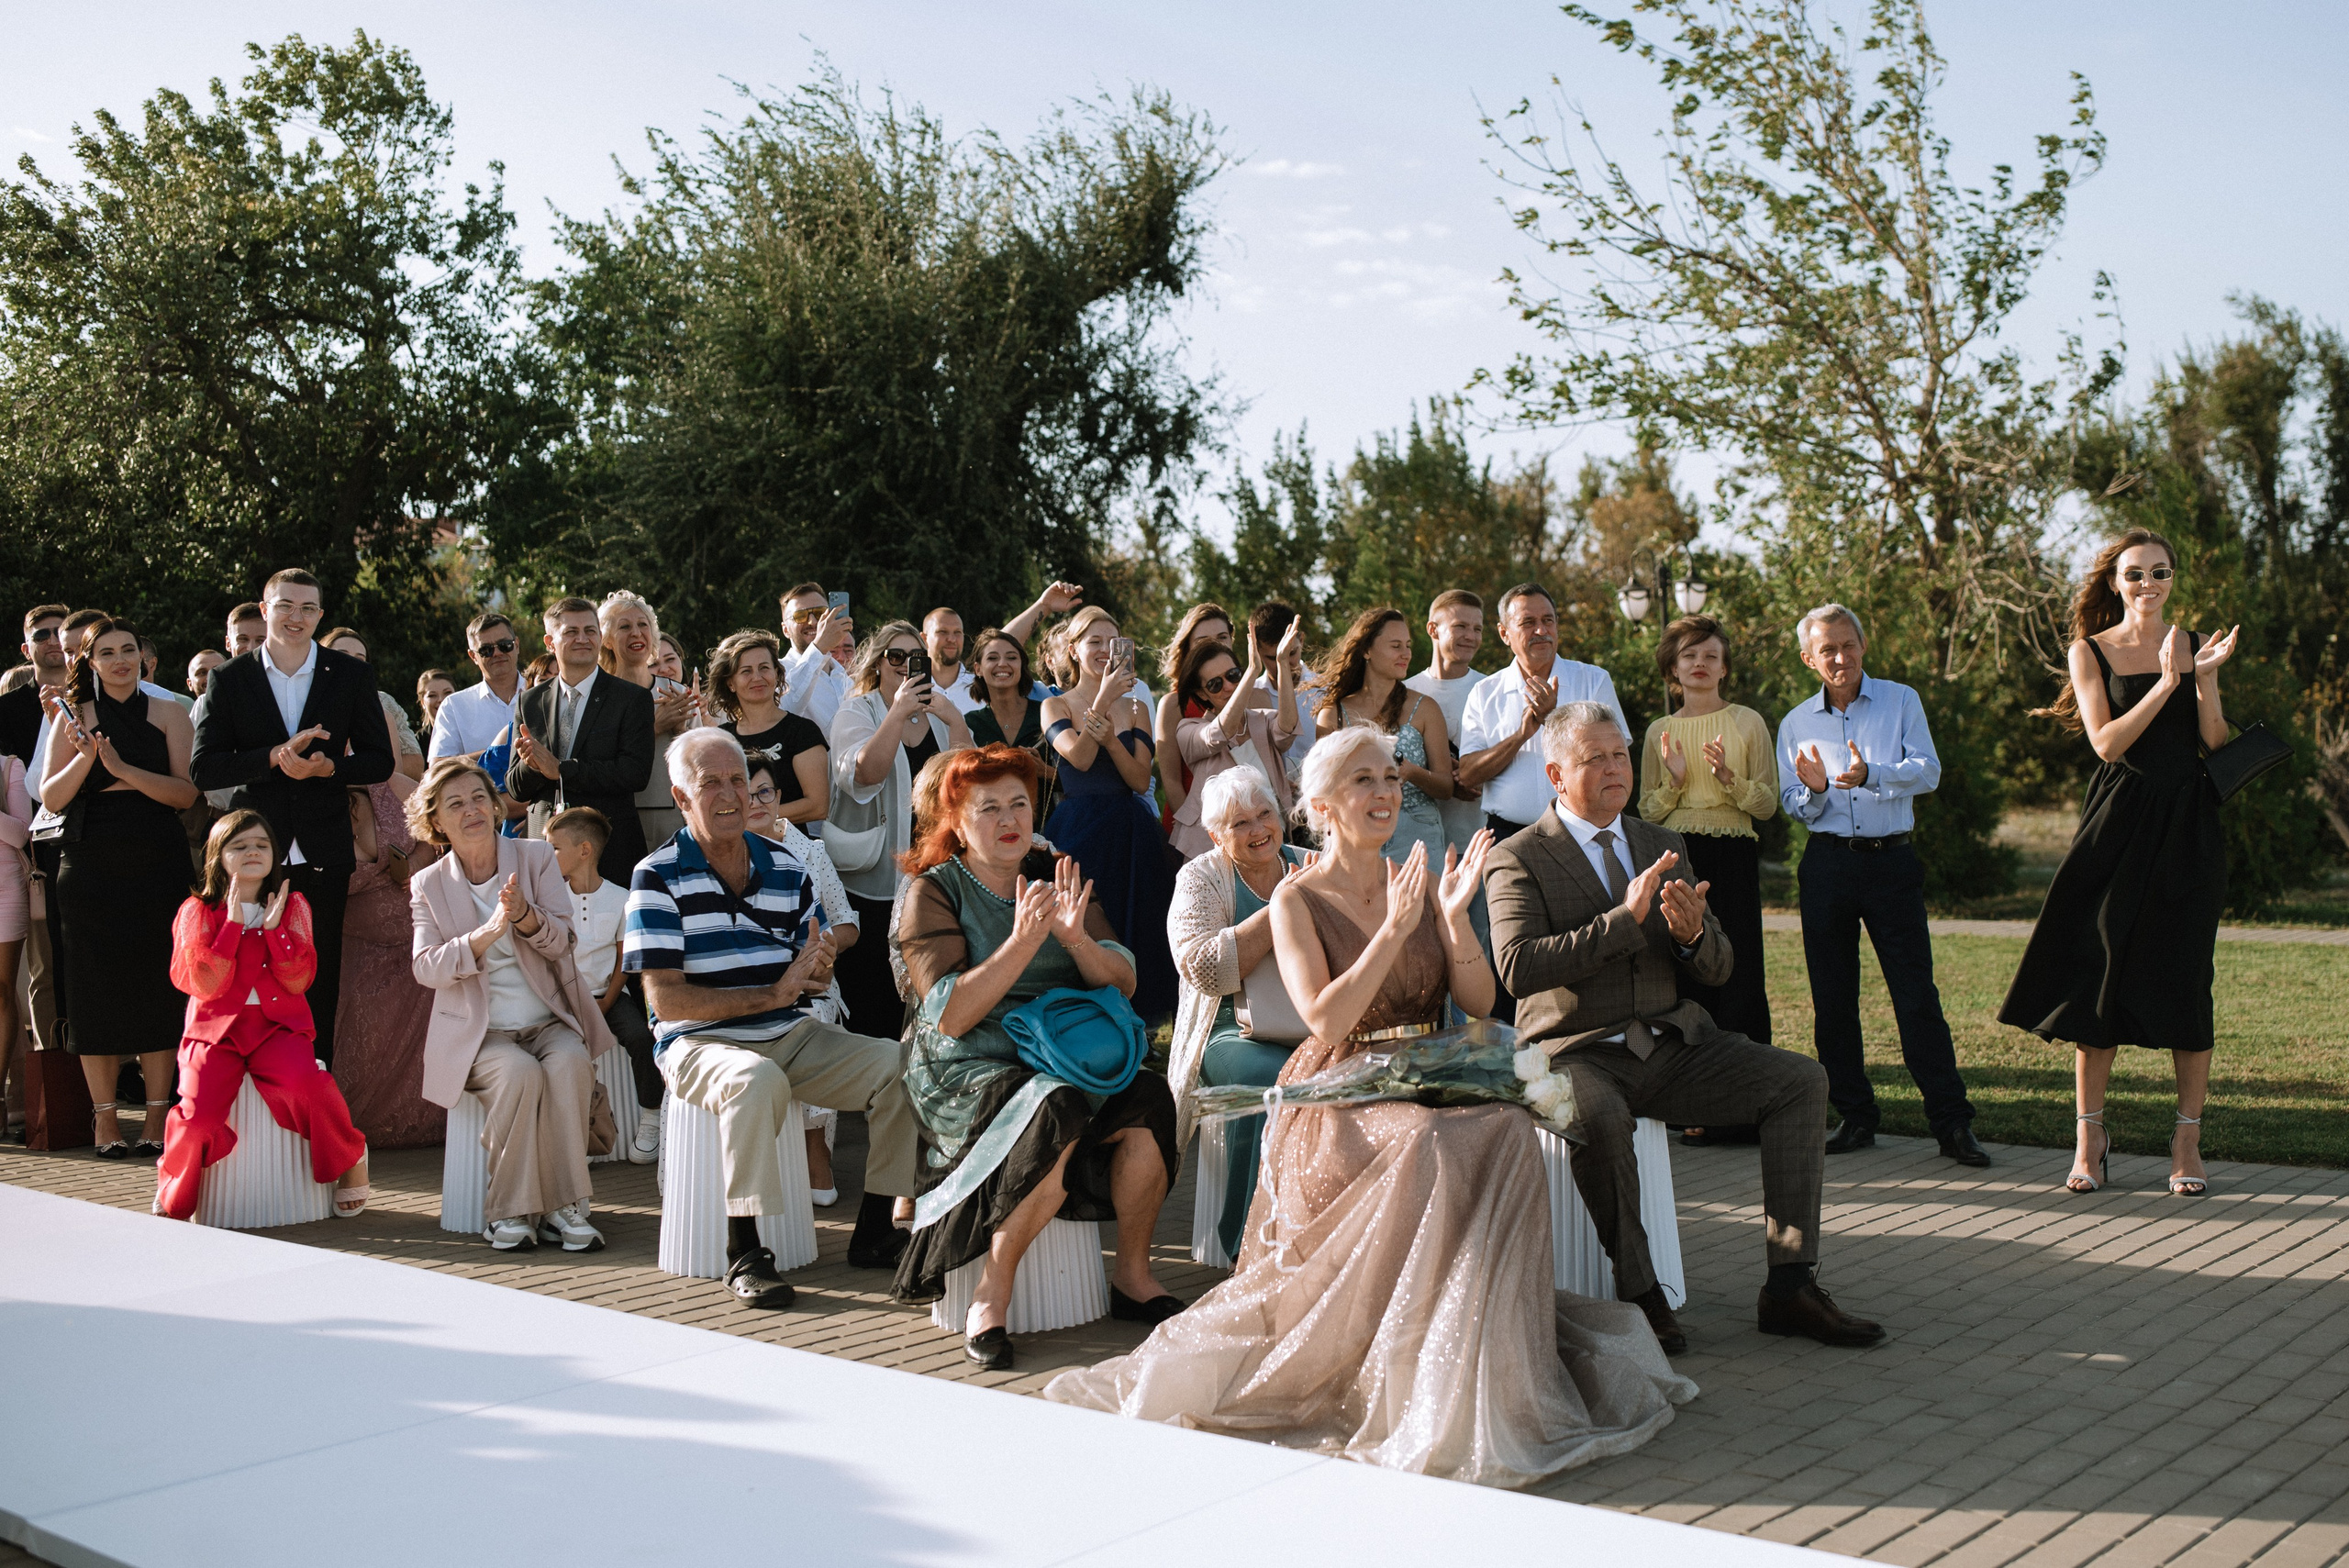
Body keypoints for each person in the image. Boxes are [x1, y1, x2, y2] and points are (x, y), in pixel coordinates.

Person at [1045, 726, 1693, 1485]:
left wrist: (1454, 919)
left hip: (1429, 1067)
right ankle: (1400, 1362)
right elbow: (1325, 1020)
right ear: (1321, 805)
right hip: (1339, 1089)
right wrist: (1391, 930)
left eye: (1390, 776)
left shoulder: (1416, 877)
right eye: (1364, 780)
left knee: (1509, 1129)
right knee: (1425, 1143)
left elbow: (1477, 999)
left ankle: (1478, 1353)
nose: (1385, 792)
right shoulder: (1295, 897)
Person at [1489, 701, 1885, 1353]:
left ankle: (1790, 1286)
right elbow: (1517, 967)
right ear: (1557, 774)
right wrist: (1624, 920)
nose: (1615, 768)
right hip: (1572, 1052)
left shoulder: (1660, 843)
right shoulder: (1518, 855)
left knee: (1801, 1082)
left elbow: (1719, 965)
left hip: (1671, 1046)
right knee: (1602, 1119)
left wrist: (1692, 935)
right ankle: (1644, 1294)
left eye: (1620, 755)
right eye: (1596, 758)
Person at [892, 745, 1179, 1366]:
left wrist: (1076, 941)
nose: (1009, 818)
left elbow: (1123, 980)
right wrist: (1022, 943)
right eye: (989, 807)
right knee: (1055, 1108)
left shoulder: (1055, 868)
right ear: (956, 821)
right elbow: (951, 1016)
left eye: (1018, 803)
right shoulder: (934, 891)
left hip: (1065, 1054)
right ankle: (991, 1294)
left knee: (1149, 1099)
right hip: (971, 1062)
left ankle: (1133, 1275)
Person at [627, 728, 920, 1305]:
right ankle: (745, 1251)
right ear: (681, 798)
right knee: (755, 1079)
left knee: (902, 1066)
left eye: (738, 780)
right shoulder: (655, 875)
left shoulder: (787, 865)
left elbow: (811, 969)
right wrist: (772, 995)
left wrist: (818, 967)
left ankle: (875, 1231)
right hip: (697, 1043)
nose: (730, 794)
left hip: (788, 1032)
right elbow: (666, 1002)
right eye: (710, 783)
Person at [1998, 529, 2237, 1197]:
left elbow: (2214, 742)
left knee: (2186, 978)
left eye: (2160, 572)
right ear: (2115, 582)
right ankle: (2090, 1138)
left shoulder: (2192, 644)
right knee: (2099, 977)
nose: (2148, 584)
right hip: (2118, 824)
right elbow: (2106, 743)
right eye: (2135, 574)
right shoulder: (2090, 651)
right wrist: (2165, 684)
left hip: (2187, 828)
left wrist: (2203, 679)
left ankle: (2186, 1142)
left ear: (2172, 578)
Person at [1775, 603, 1985, 1167]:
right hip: (1827, 866)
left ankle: (1952, 1122)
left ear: (1863, 646)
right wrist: (1817, 791)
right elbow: (1793, 803)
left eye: (1848, 645)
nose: (1840, 657)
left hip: (1891, 863)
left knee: (1916, 995)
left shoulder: (1901, 701)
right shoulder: (1795, 723)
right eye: (1827, 650)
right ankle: (1855, 1116)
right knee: (1833, 998)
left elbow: (1928, 770)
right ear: (1809, 659)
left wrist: (1873, 775)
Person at [191, 570, 395, 1070]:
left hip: (324, 848)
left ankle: (312, 1086)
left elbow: (379, 761)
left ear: (320, 615)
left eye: (307, 608)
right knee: (247, 974)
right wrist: (272, 757)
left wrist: (329, 768)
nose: (296, 617)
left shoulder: (349, 675)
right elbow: (204, 767)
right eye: (285, 606)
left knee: (317, 979)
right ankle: (247, 1086)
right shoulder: (229, 678)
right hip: (252, 855)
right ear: (265, 611)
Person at [407, 757, 611, 1251]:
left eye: (479, 797)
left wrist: (524, 918)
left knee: (568, 1064)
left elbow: (564, 941)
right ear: (436, 821)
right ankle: (511, 1212)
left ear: (495, 805)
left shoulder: (535, 857)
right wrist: (483, 937)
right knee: (519, 1074)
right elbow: (426, 968)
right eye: (456, 803)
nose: (472, 810)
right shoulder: (428, 883)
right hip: (482, 1034)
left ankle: (563, 1208)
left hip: (549, 1021)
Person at [36, 616, 200, 1156]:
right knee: (94, 991)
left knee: (158, 987)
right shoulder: (73, 716)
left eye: (128, 650)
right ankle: (105, 1120)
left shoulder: (170, 712)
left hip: (157, 860)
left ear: (143, 657)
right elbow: (52, 798)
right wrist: (87, 758)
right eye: (106, 653)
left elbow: (186, 795)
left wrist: (123, 769)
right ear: (89, 662)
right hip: (89, 863)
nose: (120, 660)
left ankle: (157, 1115)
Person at [158, 811, 372, 1219]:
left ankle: (352, 1156)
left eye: (261, 845)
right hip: (214, 1033)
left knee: (306, 1087)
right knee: (198, 1115)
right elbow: (202, 983)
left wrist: (275, 933)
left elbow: (299, 980)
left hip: (278, 1029)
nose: (252, 852)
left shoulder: (294, 906)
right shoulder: (197, 910)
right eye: (239, 845)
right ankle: (173, 1180)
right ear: (218, 856)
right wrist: (232, 926)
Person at [1166, 767, 1308, 1260]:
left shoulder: (1312, 862)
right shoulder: (1200, 877)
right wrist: (1282, 904)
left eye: (1264, 814)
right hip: (1229, 1033)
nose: (1258, 829)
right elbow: (1204, 970)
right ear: (1215, 836)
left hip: (1313, 1022)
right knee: (1272, 1086)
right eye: (1239, 823)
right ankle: (1247, 1246)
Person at [1637, 615, 1778, 1062]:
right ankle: (1687, 1076)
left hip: (1733, 853)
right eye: (1690, 655)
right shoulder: (1659, 731)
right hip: (1678, 854)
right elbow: (1646, 811)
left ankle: (1746, 1074)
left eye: (1711, 656)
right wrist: (1677, 782)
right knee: (1683, 959)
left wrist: (1728, 779)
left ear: (1724, 668)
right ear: (1673, 668)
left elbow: (1767, 805)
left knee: (1739, 960)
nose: (1700, 663)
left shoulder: (1748, 722)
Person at [828, 620, 972, 1039]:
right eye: (896, 656)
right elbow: (865, 775)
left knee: (926, 979)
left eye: (916, 658)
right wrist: (897, 711)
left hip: (932, 872)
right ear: (878, 663)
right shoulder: (857, 711)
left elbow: (968, 784)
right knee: (872, 992)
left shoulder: (940, 715)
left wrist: (955, 719)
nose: (906, 665)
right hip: (874, 877)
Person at [1039, 607, 1177, 1021]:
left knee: (1140, 922)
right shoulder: (1055, 705)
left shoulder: (1136, 708)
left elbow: (1140, 780)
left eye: (1112, 642)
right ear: (1073, 650)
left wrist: (1114, 743)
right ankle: (1085, 1019)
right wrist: (1102, 701)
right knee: (1086, 919)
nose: (1104, 650)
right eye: (1094, 641)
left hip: (1131, 829)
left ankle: (1142, 1022)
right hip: (1078, 829)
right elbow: (1079, 759)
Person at [741, 749, 857, 1197]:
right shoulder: (718, 852)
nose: (756, 802)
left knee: (815, 1021)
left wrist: (819, 947)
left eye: (764, 792)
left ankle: (815, 1156)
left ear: (778, 795)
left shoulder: (809, 851)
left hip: (811, 981)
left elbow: (847, 923)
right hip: (744, 984)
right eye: (746, 793)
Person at [332, 740, 442, 1149]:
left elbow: (433, 833)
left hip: (412, 939)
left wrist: (414, 864)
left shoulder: (393, 785)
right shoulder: (316, 797)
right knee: (364, 1032)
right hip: (355, 947)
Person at [507, 596, 655, 887]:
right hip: (544, 852)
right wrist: (532, 765)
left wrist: (562, 770)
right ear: (550, 642)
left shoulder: (631, 699)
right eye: (571, 632)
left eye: (590, 631)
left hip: (608, 849)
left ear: (600, 637)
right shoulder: (530, 701)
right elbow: (515, 786)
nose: (583, 639)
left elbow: (635, 773)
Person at [543, 806, 659, 1162]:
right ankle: (576, 1132)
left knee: (641, 1038)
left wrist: (607, 1002)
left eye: (554, 848)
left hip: (608, 997)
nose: (548, 856)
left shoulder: (622, 897)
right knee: (563, 1053)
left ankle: (652, 1118)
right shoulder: (551, 898)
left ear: (585, 850)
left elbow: (625, 959)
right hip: (564, 999)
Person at [1314, 606, 1452, 868]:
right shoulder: (1333, 713)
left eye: (1408, 646)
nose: (1406, 654)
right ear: (1367, 650)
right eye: (1395, 646)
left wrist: (1412, 772)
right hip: (1354, 830)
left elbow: (1446, 787)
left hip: (1416, 833)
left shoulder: (1425, 708)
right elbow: (1322, 785)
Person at [1166, 638, 1295, 860]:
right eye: (1215, 684)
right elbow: (1220, 733)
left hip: (1267, 840)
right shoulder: (1189, 729)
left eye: (1233, 675)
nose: (1228, 686)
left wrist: (1282, 663)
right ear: (1202, 694)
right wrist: (1252, 673)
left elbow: (1287, 730)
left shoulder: (1262, 720)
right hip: (1215, 850)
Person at [596, 593, 695, 851]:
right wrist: (655, 727)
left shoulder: (678, 694)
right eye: (624, 627)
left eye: (643, 625)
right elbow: (596, 759)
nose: (636, 633)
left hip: (672, 818)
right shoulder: (598, 697)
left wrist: (681, 734)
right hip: (613, 816)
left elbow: (699, 762)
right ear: (606, 640)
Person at [1406, 589, 1489, 864]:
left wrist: (1474, 776)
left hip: (1478, 843)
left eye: (1477, 629)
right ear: (1433, 629)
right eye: (1460, 626)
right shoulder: (1405, 692)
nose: (1471, 636)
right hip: (1415, 845)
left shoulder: (1492, 690)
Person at [711, 629, 827, 828]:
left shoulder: (802, 732)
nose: (757, 677)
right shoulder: (720, 739)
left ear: (777, 674)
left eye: (764, 668)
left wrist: (751, 818)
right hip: (734, 842)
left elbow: (818, 806)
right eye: (746, 671)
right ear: (730, 683)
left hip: (787, 844)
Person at [1151, 602, 1235, 828]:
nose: (1214, 645)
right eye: (1202, 640)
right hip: (1192, 825)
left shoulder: (1253, 695)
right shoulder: (1173, 704)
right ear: (1187, 648)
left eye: (1222, 637)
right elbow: (1172, 782)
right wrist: (1197, 831)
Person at [319, 628, 427, 783]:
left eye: (359, 659)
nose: (351, 663)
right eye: (342, 655)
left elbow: (415, 765)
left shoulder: (384, 704)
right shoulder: (303, 699)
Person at [429, 612, 525, 761]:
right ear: (473, 656)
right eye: (486, 650)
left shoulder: (545, 696)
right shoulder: (454, 706)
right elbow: (438, 765)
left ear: (516, 645)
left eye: (505, 645)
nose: (497, 653)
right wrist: (495, 754)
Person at [1247, 601, 1318, 787]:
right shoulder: (1249, 696)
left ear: (1301, 640)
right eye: (1274, 658)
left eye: (1291, 653)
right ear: (1257, 651)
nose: (1284, 663)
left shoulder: (1326, 690)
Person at [779, 584, 855, 739]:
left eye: (820, 613)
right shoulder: (777, 671)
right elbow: (785, 712)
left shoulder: (844, 676)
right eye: (800, 616)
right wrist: (819, 647)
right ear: (785, 630)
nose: (812, 622)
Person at [964, 627, 1045, 751]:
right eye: (992, 658)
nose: (1002, 664)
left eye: (1011, 658)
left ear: (1021, 665)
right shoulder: (970, 723)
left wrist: (1043, 765)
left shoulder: (1045, 714)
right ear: (978, 669)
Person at [918, 607, 985, 714]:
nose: (952, 639)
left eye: (957, 632)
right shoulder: (911, 688)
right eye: (943, 632)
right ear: (924, 639)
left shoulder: (982, 688)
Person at [416, 669, 457, 739]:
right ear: (423, 703)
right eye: (432, 695)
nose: (441, 699)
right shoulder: (416, 742)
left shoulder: (472, 731)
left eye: (447, 692)